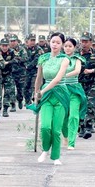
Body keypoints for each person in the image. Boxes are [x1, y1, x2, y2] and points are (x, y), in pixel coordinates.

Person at [28, 32, 70, 165]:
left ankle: (56, 156)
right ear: (49, 43)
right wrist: (36, 93)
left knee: (56, 129)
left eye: (58, 42)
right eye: (53, 42)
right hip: (46, 96)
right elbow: (39, 77)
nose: (55, 45)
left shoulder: (65, 59)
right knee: (45, 127)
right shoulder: (43, 58)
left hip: (60, 94)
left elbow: (57, 79)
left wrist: (43, 90)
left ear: (62, 44)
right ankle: (45, 150)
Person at [60, 37, 87, 150]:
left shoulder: (77, 59)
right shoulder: (59, 58)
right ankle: (65, 136)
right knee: (62, 116)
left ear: (74, 47)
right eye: (65, 46)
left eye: (70, 46)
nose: (67, 48)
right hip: (61, 90)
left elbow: (77, 70)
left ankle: (71, 142)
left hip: (74, 90)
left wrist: (62, 75)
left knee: (73, 116)